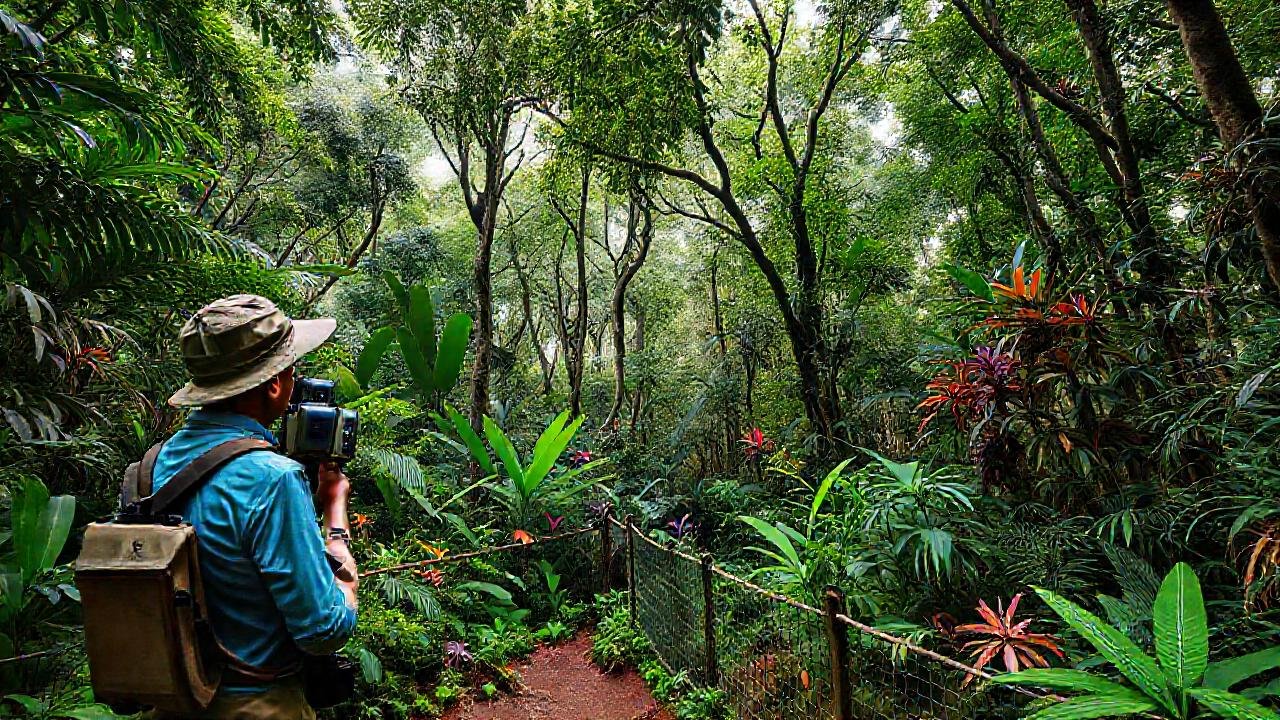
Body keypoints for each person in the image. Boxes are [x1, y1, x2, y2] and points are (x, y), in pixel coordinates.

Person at [150, 294, 358, 719]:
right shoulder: (273, 479)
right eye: (290, 367)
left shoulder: (154, 466)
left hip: (175, 700)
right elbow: (323, 629)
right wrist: (335, 519)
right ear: (274, 384)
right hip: (254, 705)